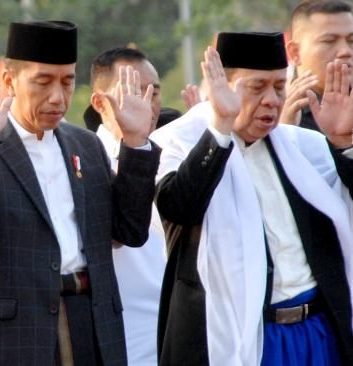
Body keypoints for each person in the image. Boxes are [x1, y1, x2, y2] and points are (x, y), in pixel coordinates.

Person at [0, 20, 161, 365]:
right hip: (14, 336)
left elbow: (129, 231)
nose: (58, 97)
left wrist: (135, 144)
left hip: (93, 322)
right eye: (43, 82)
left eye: (67, 82)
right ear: (9, 81)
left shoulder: (85, 145)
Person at [151, 32, 353, 365]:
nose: (272, 100)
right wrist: (221, 126)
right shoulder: (180, 142)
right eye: (257, 88)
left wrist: (343, 141)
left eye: (278, 87)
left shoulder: (305, 146)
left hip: (316, 331)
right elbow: (178, 209)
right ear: (221, 87)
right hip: (240, 339)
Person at [86, 46, 166, 366]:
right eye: (131, 91)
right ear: (99, 102)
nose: (145, 102)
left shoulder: (170, 150)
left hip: (174, 328)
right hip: (123, 335)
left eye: (153, 92)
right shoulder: (86, 160)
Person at [283, 0, 353, 129]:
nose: (346, 51)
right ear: (295, 52)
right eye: (329, 41)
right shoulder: (276, 116)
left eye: (351, 41)